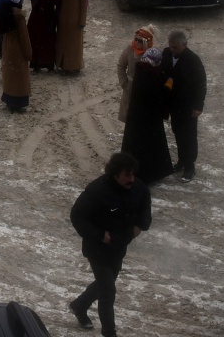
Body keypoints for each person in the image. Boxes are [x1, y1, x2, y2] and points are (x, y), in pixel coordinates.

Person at [69, 151, 151, 337]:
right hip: (97, 249)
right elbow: (77, 215)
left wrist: (140, 226)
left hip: (119, 247)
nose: (131, 179)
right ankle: (109, 333)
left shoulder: (137, 187)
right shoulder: (97, 191)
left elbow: (145, 204)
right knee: (108, 292)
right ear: (115, 174)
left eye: (133, 174)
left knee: (104, 284)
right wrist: (99, 235)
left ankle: (79, 305)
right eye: (127, 175)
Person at [120, 47, 174, 185]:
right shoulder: (149, 76)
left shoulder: (142, 71)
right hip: (148, 120)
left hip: (137, 120)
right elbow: (157, 96)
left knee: (135, 148)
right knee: (147, 149)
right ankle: (147, 175)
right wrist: (167, 86)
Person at [165, 30, 207, 183]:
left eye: (175, 47)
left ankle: (190, 166)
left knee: (189, 136)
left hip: (188, 106)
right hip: (174, 105)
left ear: (185, 45)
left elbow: (201, 85)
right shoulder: (166, 54)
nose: (172, 50)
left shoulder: (193, 60)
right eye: (170, 46)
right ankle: (182, 160)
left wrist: (198, 106)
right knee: (177, 131)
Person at [0, 0, 32, 112]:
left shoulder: (4, 13)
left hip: (7, 48)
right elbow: (24, 37)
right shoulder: (19, 17)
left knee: (10, 76)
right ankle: (18, 102)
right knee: (19, 77)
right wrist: (28, 54)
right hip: (18, 50)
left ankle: (9, 99)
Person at [116, 27, 155, 123]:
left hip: (145, 89)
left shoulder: (152, 53)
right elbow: (121, 66)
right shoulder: (130, 49)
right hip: (130, 87)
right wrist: (124, 83)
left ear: (146, 42)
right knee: (129, 115)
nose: (136, 42)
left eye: (140, 41)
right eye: (136, 39)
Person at [55, 0, 88, 74]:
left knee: (74, 44)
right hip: (63, 19)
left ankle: (74, 65)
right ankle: (63, 65)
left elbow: (84, 5)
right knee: (63, 42)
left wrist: (82, 20)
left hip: (75, 20)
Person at [26, 0, 59, 72]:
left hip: (48, 17)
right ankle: (35, 64)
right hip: (36, 16)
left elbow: (57, 1)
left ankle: (48, 63)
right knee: (34, 39)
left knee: (48, 41)